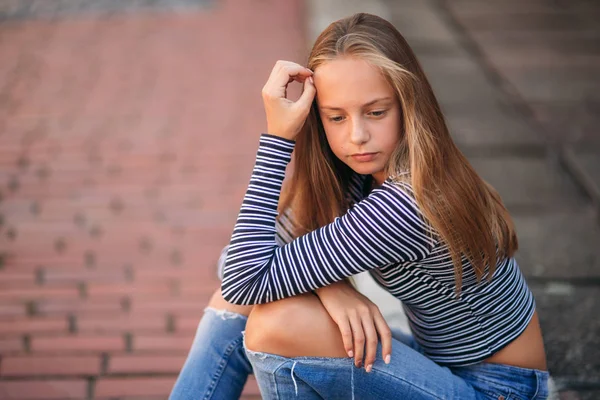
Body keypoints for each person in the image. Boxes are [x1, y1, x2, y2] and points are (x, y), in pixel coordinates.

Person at [169, 13, 549, 400]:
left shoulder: (407, 201)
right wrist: (332, 288)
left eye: (376, 112)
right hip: (443, 364)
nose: (357, 136)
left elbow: (242, 279)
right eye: (336, 117)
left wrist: (277, 139)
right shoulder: (358, 174)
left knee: (277, 324)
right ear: (317, 118)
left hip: (498, 390)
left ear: (408, 104)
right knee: (245, 309)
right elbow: (237, 266)